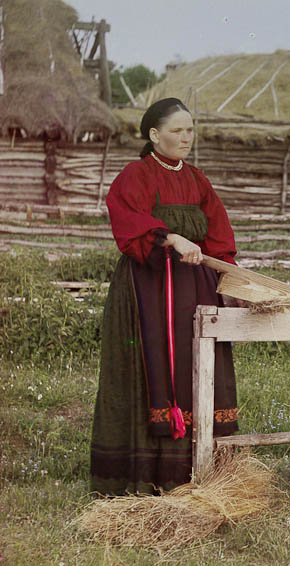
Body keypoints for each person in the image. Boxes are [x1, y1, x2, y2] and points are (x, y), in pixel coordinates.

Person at [90, 98, 239, 495]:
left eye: (190, 130)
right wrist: (170, 237)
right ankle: (148, 474)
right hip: (150, 292)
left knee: (197, 364)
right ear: (155, 135)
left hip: (196, 289)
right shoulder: (135, 175)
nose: (186, 138)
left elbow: (219, 234)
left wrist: (230, 274)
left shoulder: (197, 180)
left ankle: (202, 472)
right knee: (155, 365)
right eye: (177, 130)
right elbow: (128, 223)